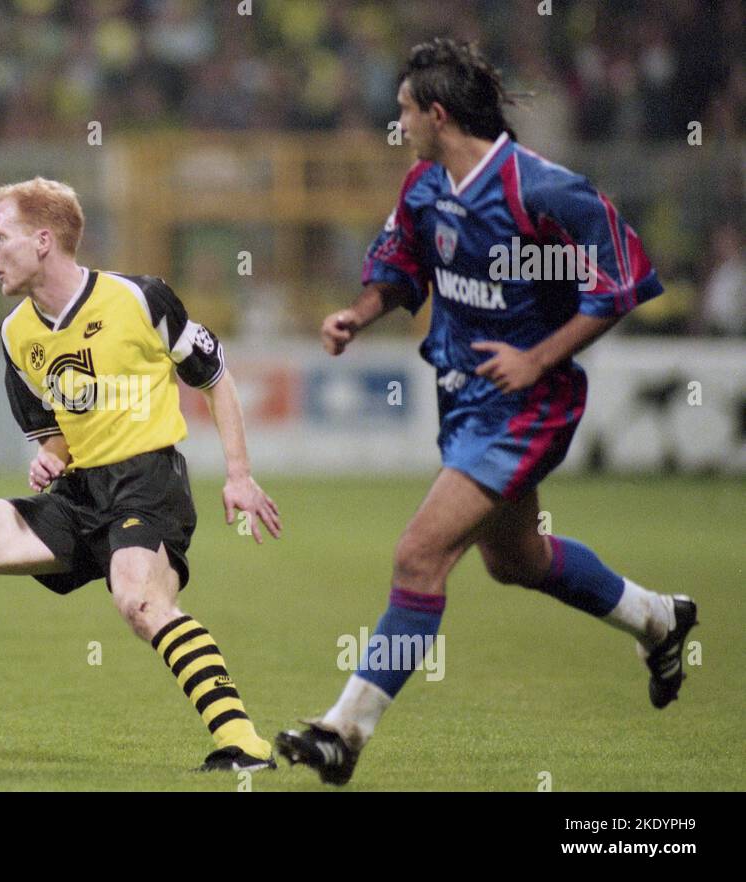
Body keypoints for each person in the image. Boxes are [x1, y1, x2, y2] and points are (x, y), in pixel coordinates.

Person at [276, 40, 698, 785]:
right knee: (516, 561)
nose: (396, 120)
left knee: (419, 555)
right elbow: (401, 266)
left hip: (530, 404)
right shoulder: (424, 187)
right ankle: (658, 619)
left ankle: (345, 730)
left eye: (403, 109)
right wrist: (360, 313)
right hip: (465, 400)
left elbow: (622, 282)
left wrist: (538, 357)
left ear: (436, 113)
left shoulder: (546, 191)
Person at [0, 177, 283, 770]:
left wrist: (239, 474)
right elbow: (57, 441)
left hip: (149, 487)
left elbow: (215, 377)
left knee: (138, 600)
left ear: (43, 240)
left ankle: (244, 744)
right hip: (80, 496)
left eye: (0, 236)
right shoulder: (16, 334)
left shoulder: (139, 299)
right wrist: (51, 459)